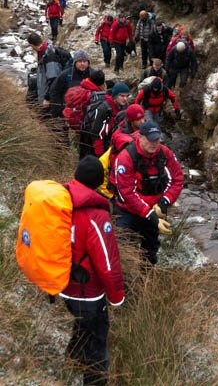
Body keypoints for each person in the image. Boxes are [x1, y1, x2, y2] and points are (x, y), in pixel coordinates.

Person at [60, 155, 125, 385]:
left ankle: (72, 359)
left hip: (62, 281)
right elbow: (107, 263)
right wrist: (117, 296)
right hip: (87, 291)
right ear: (99, 182)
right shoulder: (96, 214)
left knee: (81, 325)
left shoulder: (62, 200)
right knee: (97, 341)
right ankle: (94, 381)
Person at [114, 121, 184, 265]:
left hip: (154, 210)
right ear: (140, 137)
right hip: (129, 212)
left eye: (157, 139)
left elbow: (177, 179)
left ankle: (147, 277)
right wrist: (150, 215)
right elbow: (127, 193)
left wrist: (165, 202)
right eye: (150, 140)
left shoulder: (165, 154)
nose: (154, 143)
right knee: (125, 250)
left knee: (150, 253)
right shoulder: (126, 157)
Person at [49, 50, 94, 118]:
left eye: (85, 61)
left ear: (88, 62)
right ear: (75, 62)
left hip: (87, 112)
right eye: (79, 61)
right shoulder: (66, 74)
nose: (82, 63)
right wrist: (59, 109)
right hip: (67, 112)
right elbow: (54, 91)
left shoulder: (93, 74)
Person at [90, 82, 130, 157]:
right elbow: (97, 133)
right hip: (104, 147)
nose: (125, 99)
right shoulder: (103, 109)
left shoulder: (125, 107)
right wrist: (100, 155)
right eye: (122, 96)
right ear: (115, 96)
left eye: (127, 96)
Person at [27, 32, 64, 110]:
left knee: (50, 120)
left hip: (50, 99)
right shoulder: (43, 52)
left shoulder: (49, 56)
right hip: (48, 96)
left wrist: (47, 98)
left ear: (32, 45)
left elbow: (53, 79)